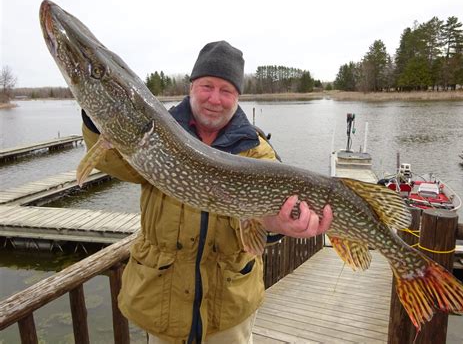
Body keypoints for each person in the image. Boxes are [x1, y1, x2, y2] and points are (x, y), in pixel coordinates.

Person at [82, 41, 333, 344]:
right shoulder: (155, 135)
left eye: (226, 91)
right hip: (162, 306)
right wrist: (95, 115)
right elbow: (115, 162)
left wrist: (278, 226)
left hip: (227, 311)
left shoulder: (258, 151)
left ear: (237, 97)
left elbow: (266, 226)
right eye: (207, 86)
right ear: (192, 87)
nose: (215, 99)